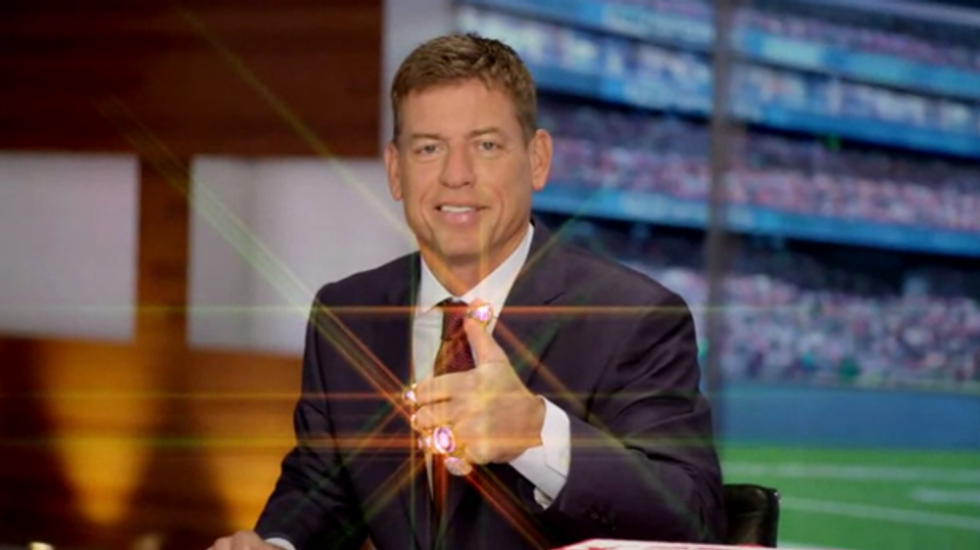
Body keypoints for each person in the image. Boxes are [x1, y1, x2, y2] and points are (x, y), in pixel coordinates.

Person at [209, 33, 725, 550]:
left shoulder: (634, 317)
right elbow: (322, 491)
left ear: (538, 159)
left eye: (486, 145)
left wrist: (535, 433)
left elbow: (694, 519)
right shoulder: (346, 315)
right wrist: (276, 546)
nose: (456, 175)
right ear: (396, 171)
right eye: (429, 148)